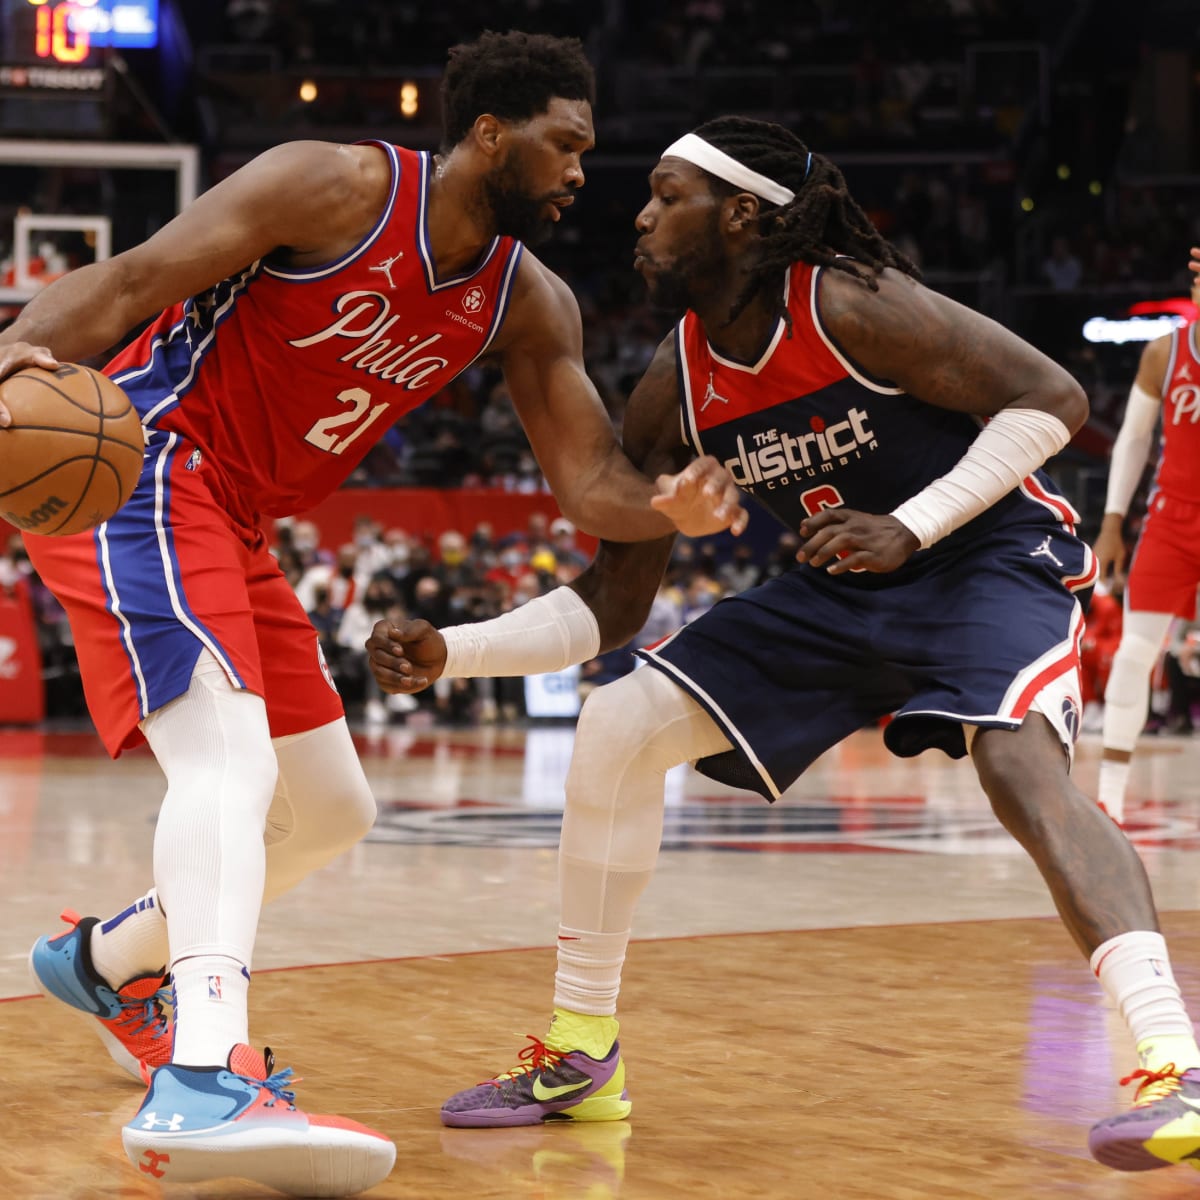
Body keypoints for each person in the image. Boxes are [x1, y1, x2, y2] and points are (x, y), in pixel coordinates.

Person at [367, 118, 1200, 1172]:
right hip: (842, 589)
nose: (640, 216)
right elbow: (612, 606)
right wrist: (455, 650)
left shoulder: (848, 303)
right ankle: (580, 1054)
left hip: (984, 561)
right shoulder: (673, 384)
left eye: (667, 195)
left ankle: (1176, 1064)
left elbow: (1053, 401)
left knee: (1020, 770)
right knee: (616, 722)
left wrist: (912, 525)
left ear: (741, 216)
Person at [0, 32, 745, 1196]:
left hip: (238, 521)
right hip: (148, 463)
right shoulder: (336, 186)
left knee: (332, 810)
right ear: (490, 133)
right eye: (564, 144)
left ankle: (104, 964)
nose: (579, 171)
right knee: (228, 762)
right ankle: (204, 1078)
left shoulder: (527, 301)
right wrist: (11, 357)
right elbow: (136, 279)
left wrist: (668, 506)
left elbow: (587, 483)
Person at [1093, 249, 1200, 825]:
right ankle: (1109, 800)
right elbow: (1133, 440)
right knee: (1134, 653)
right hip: (1172, 519)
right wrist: (1112, 522)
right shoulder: (1165, 350)